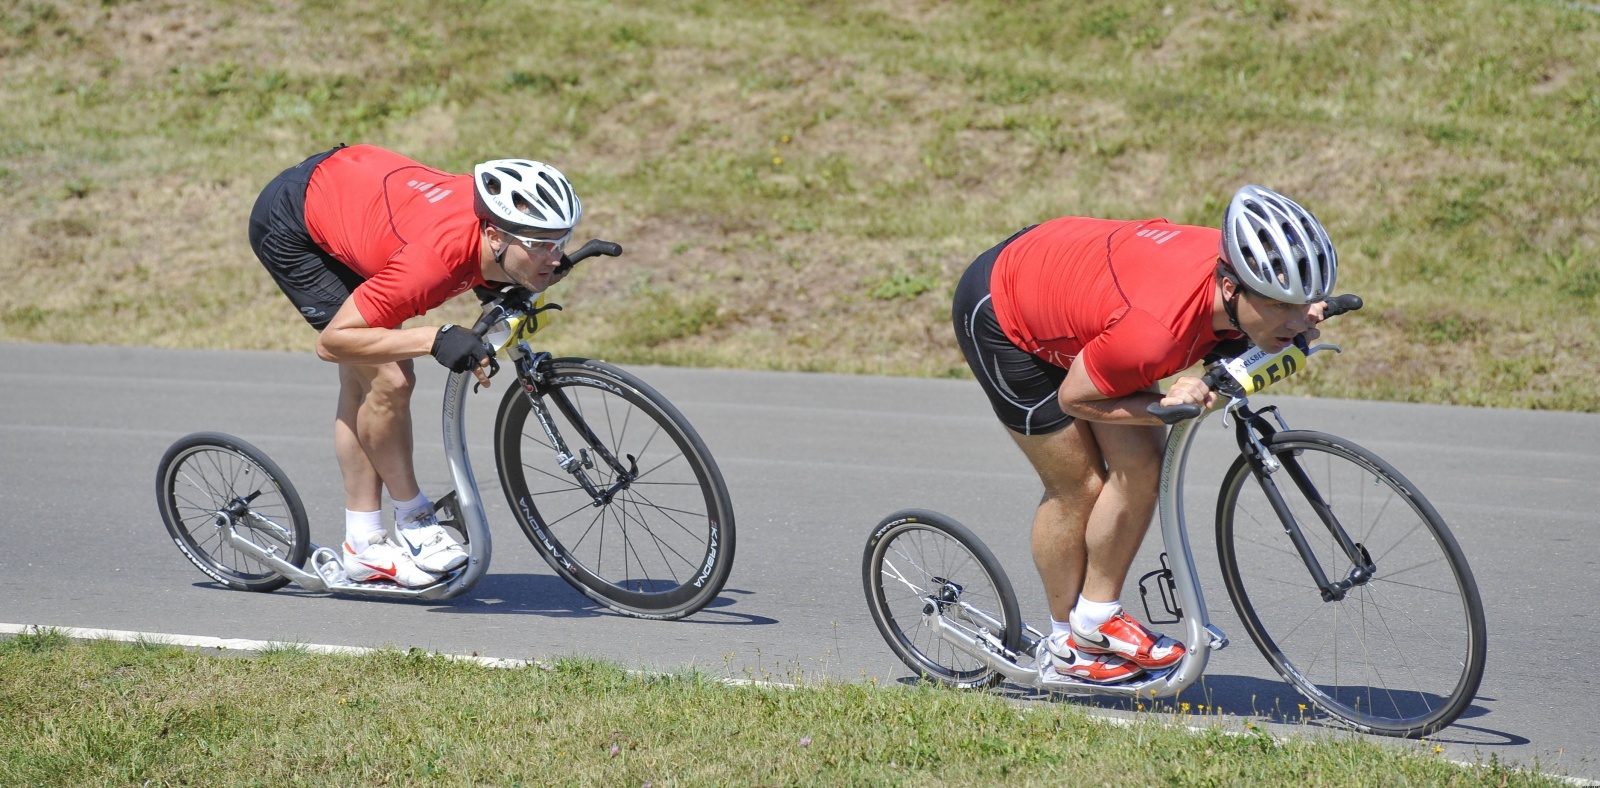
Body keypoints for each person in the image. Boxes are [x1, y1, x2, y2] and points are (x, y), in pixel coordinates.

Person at [951, 185, 1337, 683]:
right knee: (1079, 486)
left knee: (1142, 464)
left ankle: (1095, 619)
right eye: (1283, 305)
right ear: (1231, 288)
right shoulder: (1154, 334)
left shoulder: (1229, 283)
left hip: (1090, 296)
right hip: (1005, 314)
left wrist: (1292, 323)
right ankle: (1067, 646)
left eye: (1306, 303)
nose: (1299, 317)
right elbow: (1076, 399)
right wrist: (1164, 409)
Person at [248, 144, 583, 587]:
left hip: (354, 194)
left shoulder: (495, 230)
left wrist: (526, 272)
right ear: (497, 236)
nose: (556, 258)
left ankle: (363, 544)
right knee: (390, 376)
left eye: (562, 241)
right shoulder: (431, 264)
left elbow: (483, 260)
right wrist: (434, 338)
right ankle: (415, 521)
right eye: (541, 245)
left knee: (366, 380)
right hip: (295, 222)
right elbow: (333, 343)